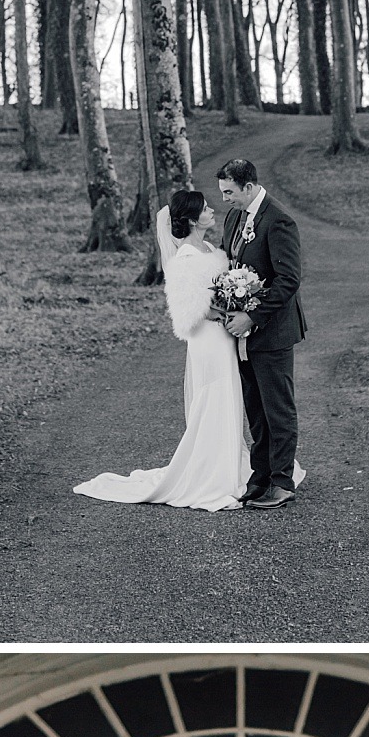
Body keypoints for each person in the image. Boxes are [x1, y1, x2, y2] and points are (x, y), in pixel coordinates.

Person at [73, 189, 251, 512]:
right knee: (213, 398)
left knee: (229, 397)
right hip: (208, 341)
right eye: (206, 208)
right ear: (195, 219)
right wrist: (228, 311)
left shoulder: (211, 249)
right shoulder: (184, 258)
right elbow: (191, 310)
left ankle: (228, 466)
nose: (212, 210)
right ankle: (212, 476)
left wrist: (238, 299)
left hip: (223, 338)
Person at [218, 155, 307, 508]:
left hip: (271, 332)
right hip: (241, 333)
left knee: (278, 409)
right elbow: (232, 264)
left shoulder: (279, 220)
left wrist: (252, 318)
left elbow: (288, 281)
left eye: (230, 192)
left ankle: (282, 482)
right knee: (255, 409)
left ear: (249, 186)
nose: (225, 199)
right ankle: (260, 478)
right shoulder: (236, 216)